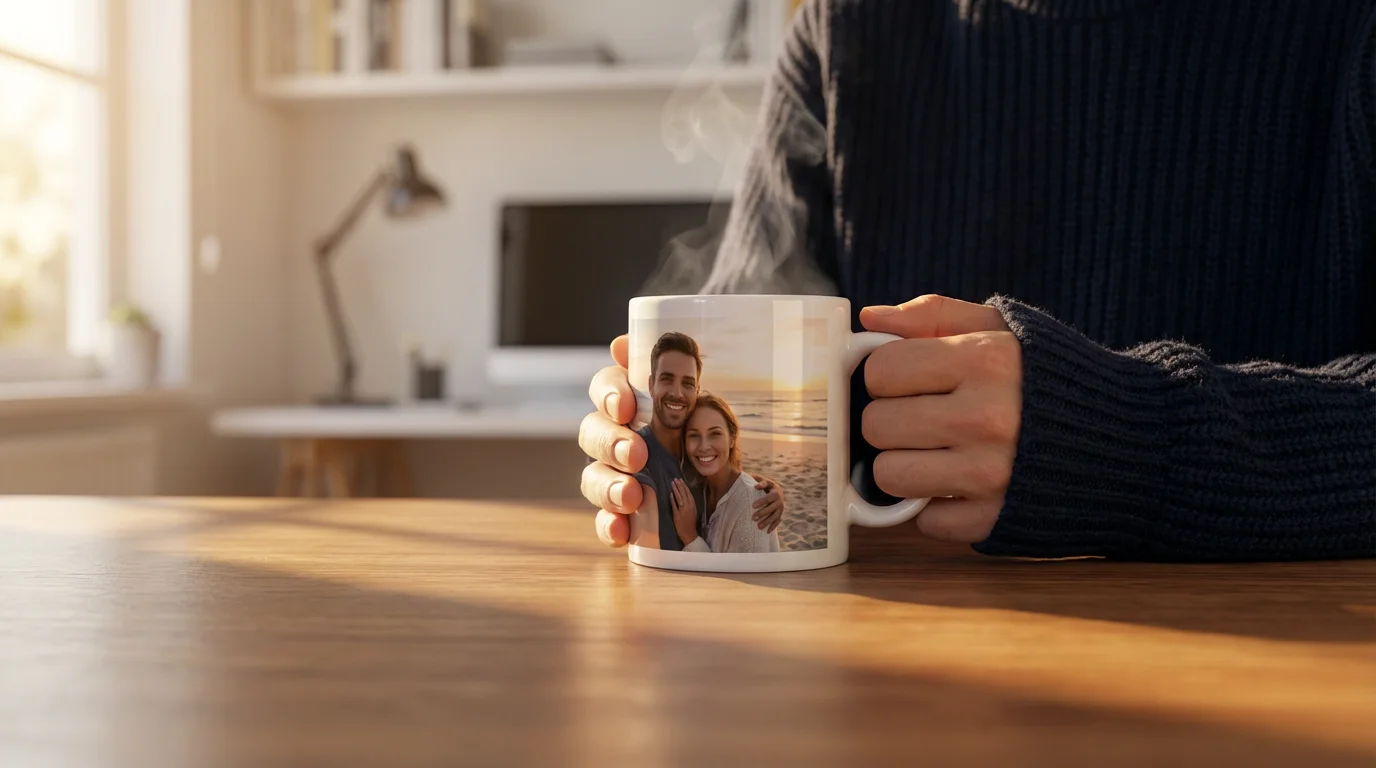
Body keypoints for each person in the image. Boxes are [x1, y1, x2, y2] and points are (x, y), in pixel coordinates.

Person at [583, 0, 1376, 562]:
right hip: (889, 680)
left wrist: (1124, 442)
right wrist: (641, 445)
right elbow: (738, 355)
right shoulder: (848, 32)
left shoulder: (1348, 30)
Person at [611, 331, 787, 550]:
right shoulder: (638, 456)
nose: (677, 393)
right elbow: (646, 553)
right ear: (651, 385)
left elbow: (730, 483)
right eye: (667, 379)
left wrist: (762, 488)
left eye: (687, 383)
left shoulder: (694, 458)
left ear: (696, 390)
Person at [665, 393, 783, 554]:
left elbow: (748, 571)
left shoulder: (752, 504)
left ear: (732, 438)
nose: (704, 446)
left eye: (715, 433)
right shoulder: (699, 487)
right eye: (694, 435)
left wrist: (690, 536)